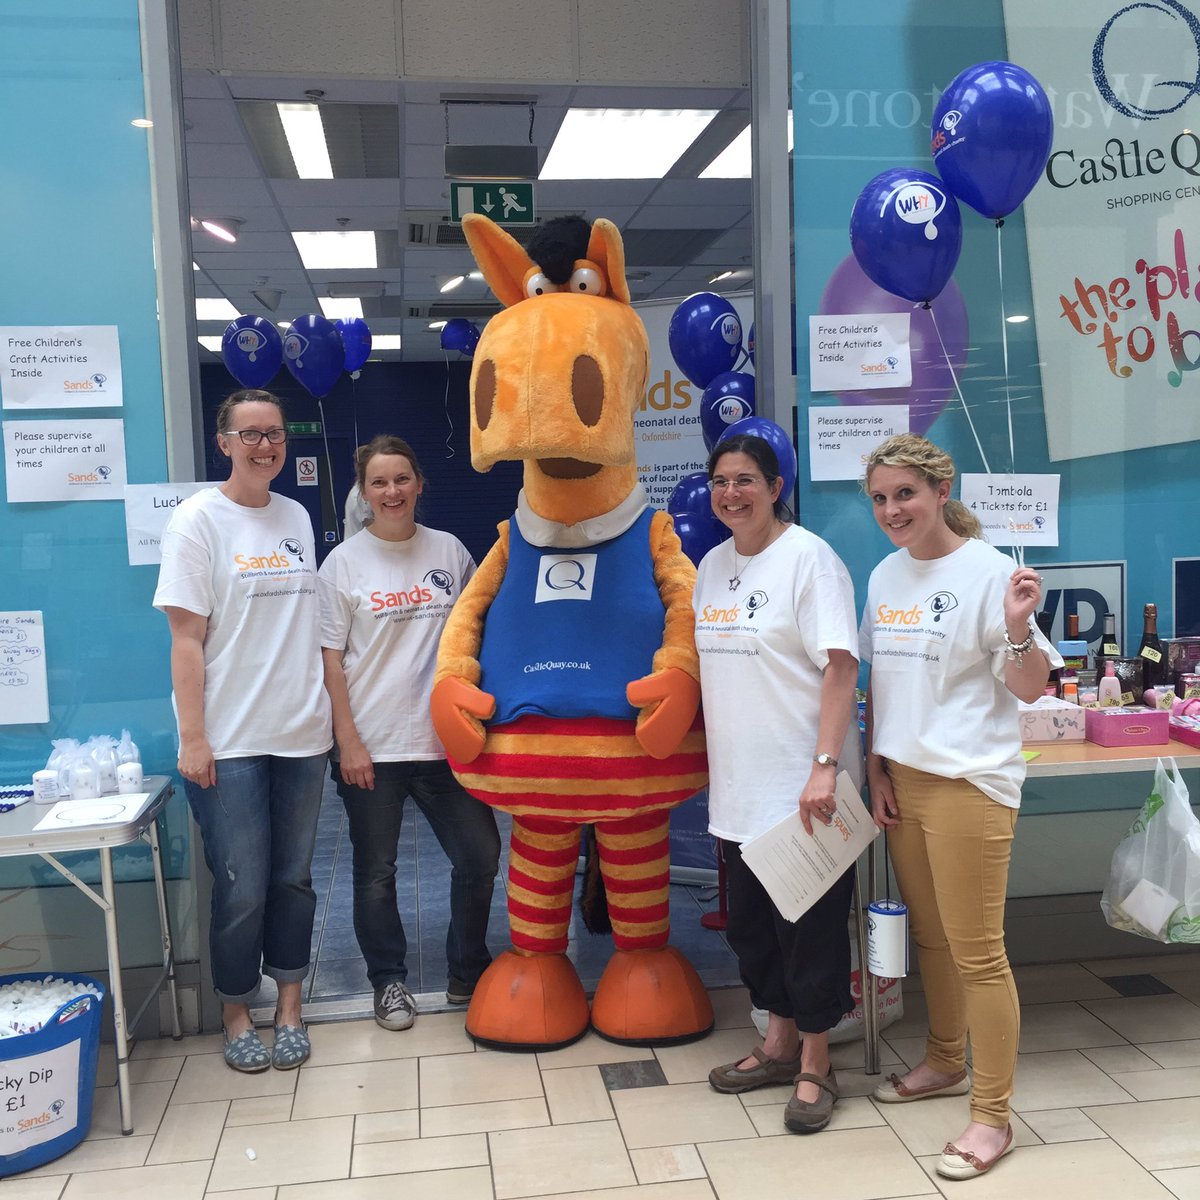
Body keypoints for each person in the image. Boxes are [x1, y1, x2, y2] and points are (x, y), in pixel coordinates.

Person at [860, 433, 1057, 1181]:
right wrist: (877, 767)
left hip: (970, 782)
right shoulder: (882, 574)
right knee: (934, 942)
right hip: (904, 780)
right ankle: (944, 1059)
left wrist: (1015, 629)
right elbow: (881, 683)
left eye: (904, 494)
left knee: (978, 952)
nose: (891, 510)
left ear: (941, 492)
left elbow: (1032, 686)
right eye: (879, 498)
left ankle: (993, 1117)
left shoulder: (990, 573)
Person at [154, 388, 331, 1073]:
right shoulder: (197, 521)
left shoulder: (294, 516)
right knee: (241, 886)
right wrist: (194, 738)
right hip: (228, 740)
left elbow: (303, 627)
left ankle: (289, 1006)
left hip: (300, 733)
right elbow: (186, 641)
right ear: (224, 442)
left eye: (276, 434)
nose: (265, 445)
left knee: (293, 880)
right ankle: (235, 1012)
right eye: (250, 434)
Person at [696, 433, 862, 1135]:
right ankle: (777, 1044)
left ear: (774, 485)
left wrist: (825, 766)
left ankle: (818, 1063)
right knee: (753, 932)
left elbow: (841, 667)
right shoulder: (710, 564)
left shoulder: (810, 560)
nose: (731, 493)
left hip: (803, 791)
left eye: (745, 480)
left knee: (812, 937)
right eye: (721, 481)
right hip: (737, 793)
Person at [318, 434, 500, 1031]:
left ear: (420, 484)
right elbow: (330, 661)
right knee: (376, 872)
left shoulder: (449, 552)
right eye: (378, 482)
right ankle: (388, 983)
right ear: (363, 493)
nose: (391, 491)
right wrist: (347, 741)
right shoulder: (342, 564)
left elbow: (476, 632)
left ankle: (467, 971)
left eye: (401, 479)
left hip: (445, 745)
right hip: (372, 746)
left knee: (480, 855)